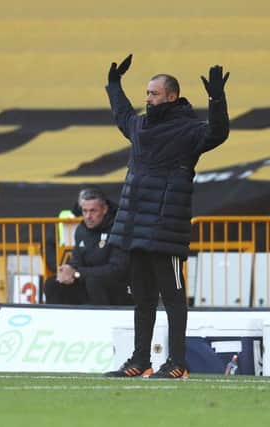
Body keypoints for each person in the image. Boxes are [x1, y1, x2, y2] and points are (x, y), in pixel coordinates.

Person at [103, 54, 230, 379]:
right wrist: (114, 85)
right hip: (135, 226)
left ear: (171, 96)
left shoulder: (189, 130)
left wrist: (217, 99)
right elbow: (122, 115)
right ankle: (140, 360)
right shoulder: (141, 126)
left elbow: (218, 133)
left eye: (153, 93)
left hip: (165, 228)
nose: (148, 99)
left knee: (172, 298)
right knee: (142, 298)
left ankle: (177, 362)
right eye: (146, 93)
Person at [44, 187, 132, 306]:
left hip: (117, 287)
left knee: (93, 281)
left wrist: (77, 273)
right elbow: (76, 261)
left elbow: (116, 269)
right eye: (85, 211)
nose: (88, 216)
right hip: (87, 281)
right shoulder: (81, 230)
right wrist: (67, 270)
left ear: (104, 209)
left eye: (93, 211)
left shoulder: (117, 229)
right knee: (52, 284)